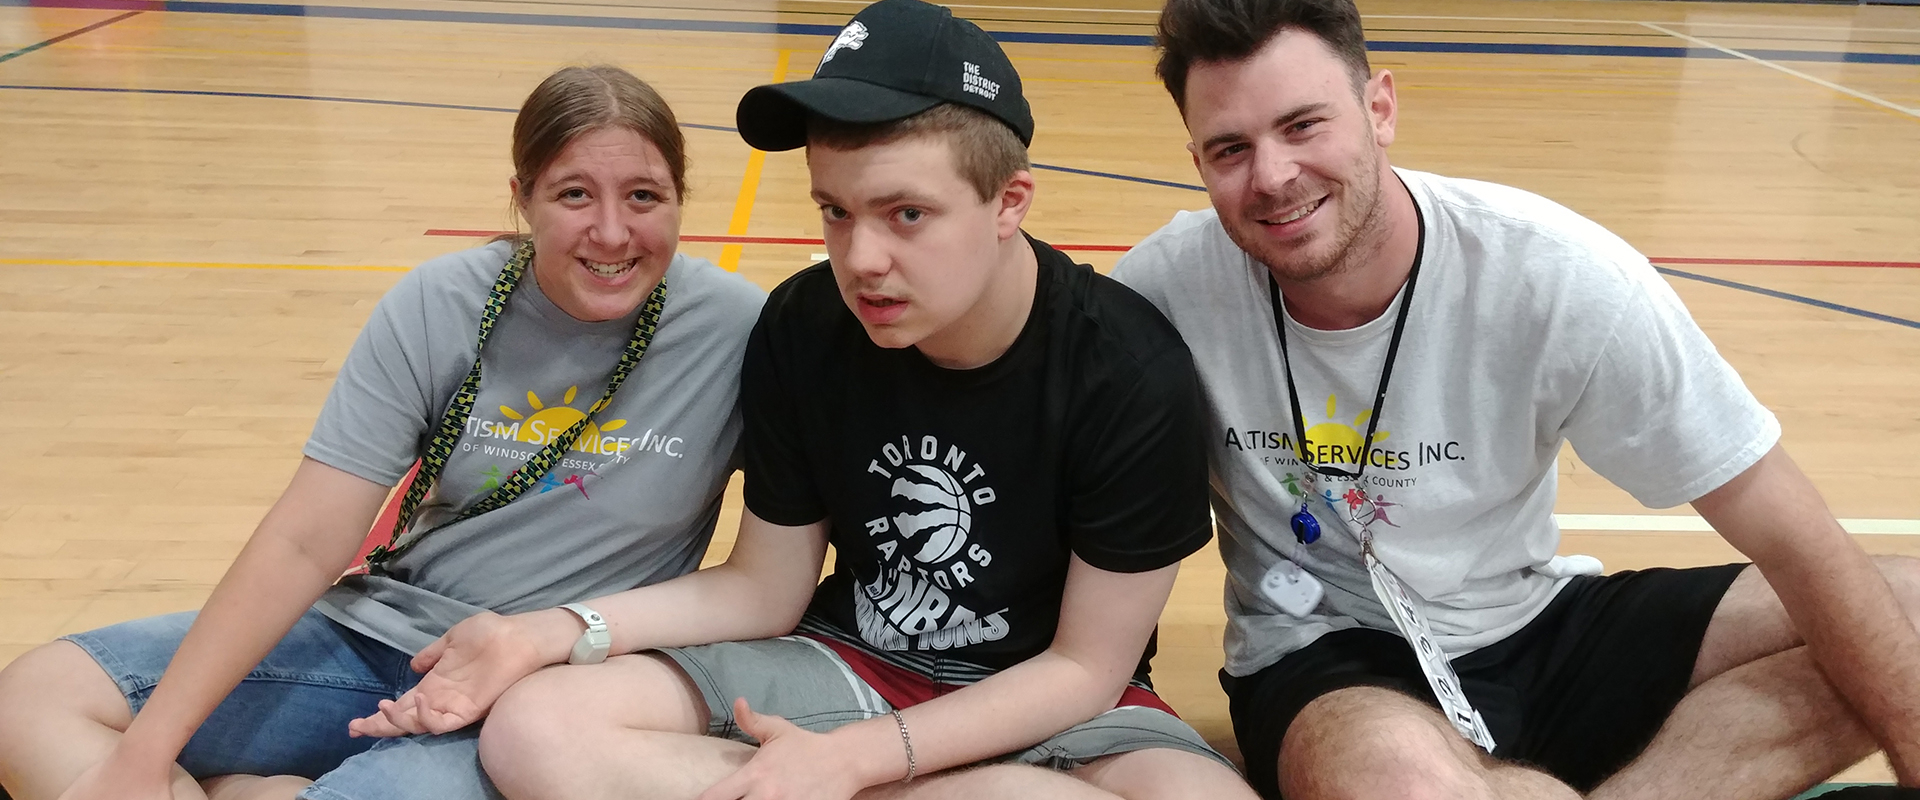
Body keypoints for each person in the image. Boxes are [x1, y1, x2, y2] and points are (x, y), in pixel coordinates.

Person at [338, 2, 1259, 798]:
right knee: (534, 727)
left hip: (1043, 699)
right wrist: (550, 632)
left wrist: (858, 762)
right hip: (846, 664)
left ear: (1009, 199)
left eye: (907, 214)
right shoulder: (806, 325)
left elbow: (1084, 667)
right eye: (835, 210)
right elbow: (766, 586)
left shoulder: (1129, 368)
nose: (861, 259)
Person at [1108, 1, 1920, 799]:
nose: (1273, 175)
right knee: (1396, 781)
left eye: (1303, 125)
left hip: (1540, 621)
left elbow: (1797, 539)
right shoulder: (1160, 295)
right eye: (1230, 148)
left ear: (1379, 106)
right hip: (1331, 650)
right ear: (1197, 160)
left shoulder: (1555, 275)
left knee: (1903, 612)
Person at [0, 64, 766, 800]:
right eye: (574, 194)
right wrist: (146, 753)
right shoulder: (442, 302)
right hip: (375, 638)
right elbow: (305, 539)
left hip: (540, 695)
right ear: (523, 200)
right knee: (33, 700)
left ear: (679, 201)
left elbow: (773, 573)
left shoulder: (739, 333)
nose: (611, 232)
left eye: (643, 196)